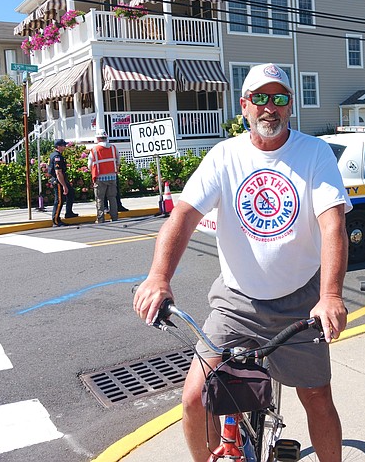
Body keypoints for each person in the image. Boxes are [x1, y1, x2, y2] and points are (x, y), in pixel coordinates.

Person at [133, 63, 350, 462]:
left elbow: (332, 223)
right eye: (261, 99)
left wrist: (331, 294)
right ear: (244, 106)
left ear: (290, 107)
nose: (271, 107)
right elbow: (182, 216)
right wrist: (158, 277)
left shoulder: (314, 152)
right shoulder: (225, 156)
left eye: (280, 98)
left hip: (300, 300)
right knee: (196, 398)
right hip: (236, 301)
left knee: (318, 396)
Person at [87, 128, 121, 223]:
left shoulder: (94, 150)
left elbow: (89, 165)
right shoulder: (113, 148)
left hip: (99, 177)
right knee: (112, 198)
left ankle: (100, 218)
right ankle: (114, 217)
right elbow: (118, 160)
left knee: (100, 198)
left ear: (98, 138)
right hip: (112, 176)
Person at [47, 139, 71, 227]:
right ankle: (56, 220)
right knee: (59, 201)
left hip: (57, 180)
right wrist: (64, 185)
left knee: (62, 199)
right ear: (59, 146)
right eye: (63, 145)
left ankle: (58, 218)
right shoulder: (57, 157)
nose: (65, 147)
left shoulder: (54, 155)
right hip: (58, 181)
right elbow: (58, 172)